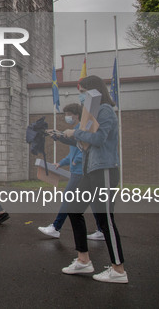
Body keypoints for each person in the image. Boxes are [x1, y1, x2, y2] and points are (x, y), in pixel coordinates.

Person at [61, 75, 128, 283]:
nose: (80, 97)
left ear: (94, 92)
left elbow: (99, 139)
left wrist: (76, 133)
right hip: (91, 171)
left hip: (105, 170)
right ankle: (83, 260)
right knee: (73, 209)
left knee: (105, 219)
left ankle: (118, 271)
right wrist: (77, 136)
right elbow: (86, 143)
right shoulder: (91, 114)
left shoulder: (105, 110)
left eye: (82, 92)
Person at [38, 103, 103, 239]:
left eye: (68, 114)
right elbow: (73, 152)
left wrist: (77, 160)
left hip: (80, 171)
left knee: (68, 197)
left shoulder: (81, 129)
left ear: (77, 115)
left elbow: (84, 148)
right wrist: (61, 163)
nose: (66, 117)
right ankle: (102, 230)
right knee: (92, 201)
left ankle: (56, 227)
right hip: (78, 171)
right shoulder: (75, 128)